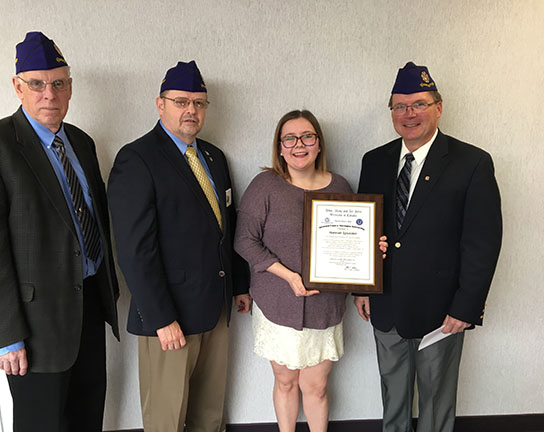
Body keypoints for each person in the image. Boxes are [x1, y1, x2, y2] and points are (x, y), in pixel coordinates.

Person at [0, 32, 119, 432]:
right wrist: (5, 336)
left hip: (88, 306)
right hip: (34, 325)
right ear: (18, 87)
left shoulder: (82, 143)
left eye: (58, 83)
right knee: (42, 424)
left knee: (87, 416)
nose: (48, 93)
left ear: (70, 87)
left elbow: (95, 219)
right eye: (36, 83)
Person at [354, 62, 502, 432]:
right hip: (386, 304)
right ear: (392, 112)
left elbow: (482, 243)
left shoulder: (472, 163)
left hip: (442, 312)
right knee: (394, 398)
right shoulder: (374, 161)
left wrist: (467, 306)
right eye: (400, 106)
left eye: (419, 104)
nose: (409, 114)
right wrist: (361, 287)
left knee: (436, 404)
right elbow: (363, 230)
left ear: (438, 107)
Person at [107, 60, 250, 432]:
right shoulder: (136, 159)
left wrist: (240, 285)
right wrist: (160, 318)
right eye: (181, 101)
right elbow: (134, 249)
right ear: (160, 105)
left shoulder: (214, 158)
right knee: (166, 420)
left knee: (209, 416)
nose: (191, 110)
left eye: (199, 103)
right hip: (170, 320)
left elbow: (227, 226)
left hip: (215, 310)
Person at [234, 110, 387, 432]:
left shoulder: (341, 186)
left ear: (319, 145)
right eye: (289, 138)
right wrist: (288, 276)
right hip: (277, 303)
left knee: (316, 386)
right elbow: (244, 241)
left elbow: (356, 244)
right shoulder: (265, 185)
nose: (298, 145)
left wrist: (373, 251)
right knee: (286, 381)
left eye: (307, 137)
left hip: (325, 305)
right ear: (279, 147)